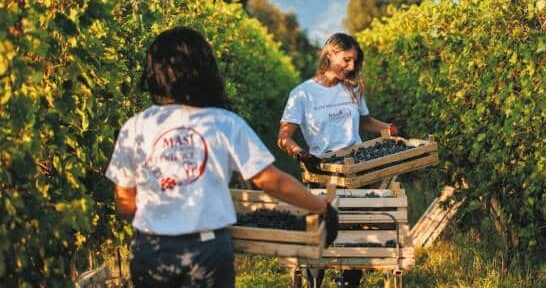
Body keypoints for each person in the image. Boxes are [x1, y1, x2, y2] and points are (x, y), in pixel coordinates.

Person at [105, 26, 338, 288]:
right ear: (205, 72)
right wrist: (321, 207)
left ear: (153, 74)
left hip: (150, 248)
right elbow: (271, 181)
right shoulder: (224, 123)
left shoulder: (136, 126)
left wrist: (165, 216)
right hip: (206, 251)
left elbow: (124, 201)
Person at [278, 33, 399, 287]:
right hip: (320, 172)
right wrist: (301, 153)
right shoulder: (302, 94)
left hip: (356, 172)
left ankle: (349, 281)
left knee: (356, 238)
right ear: (330, 54)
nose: (351, 67)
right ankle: (315, 281)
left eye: (355, 61)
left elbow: (364, 121)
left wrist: (389, 128)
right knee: (321, 239)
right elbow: (284, 137)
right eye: (346, 60)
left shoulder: (352, 89)